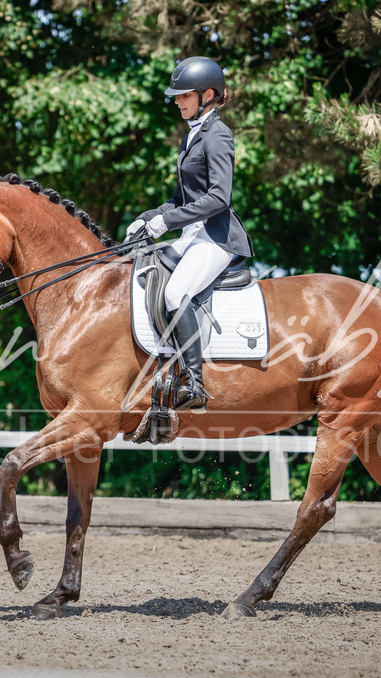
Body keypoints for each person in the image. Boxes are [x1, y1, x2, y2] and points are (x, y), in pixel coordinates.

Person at [126, 56, 254, 414]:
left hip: (217, 238)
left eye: (184, 95)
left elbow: (218, 198)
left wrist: (166, 223)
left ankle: (195, 383)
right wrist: (148, 217)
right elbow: (181, 198)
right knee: (145, 272)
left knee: (175, 291)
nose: (177, 101)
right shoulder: (192, 136)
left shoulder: (218, 135)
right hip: (192, 235)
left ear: (208, 95)